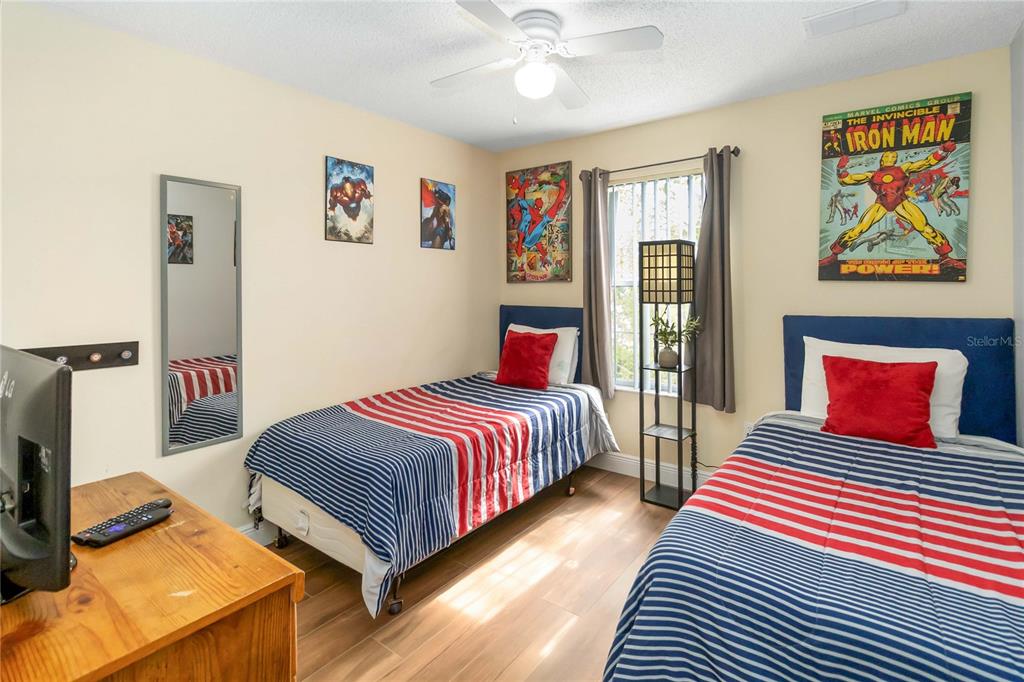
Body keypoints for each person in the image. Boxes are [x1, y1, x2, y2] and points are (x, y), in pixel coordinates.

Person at [819, 141, 965, 271]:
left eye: (893, 156)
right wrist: (841, 169)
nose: (889, 157)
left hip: (901, 203)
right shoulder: (872, 175)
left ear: (895, 159)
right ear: (881, 159)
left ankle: (945, 257)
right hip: (881, 205)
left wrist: (942, 151)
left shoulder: (904, 168)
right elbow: (847, 180)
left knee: (925, 228)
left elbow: (927, 162)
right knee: (858, 230)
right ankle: (833, 255)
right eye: (886, 156)